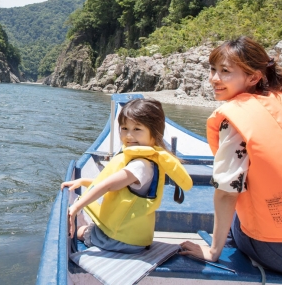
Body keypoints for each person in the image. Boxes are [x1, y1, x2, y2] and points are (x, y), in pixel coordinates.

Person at [179, 36, 282, 277]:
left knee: (236, 215)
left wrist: (212, 251)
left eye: (225, 71)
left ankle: (224, 254)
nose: (214, 79)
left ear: (253, 77)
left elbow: (226, 191)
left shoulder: (237, 116)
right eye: (213, 70)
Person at [61, 98, 192, 252]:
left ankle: (83, 231)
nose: (129, 135)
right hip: (131, 238)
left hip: (119, 240)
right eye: (124, 128)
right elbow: (116, 185)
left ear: (155, 133)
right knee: (84, 220)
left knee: (81, 231)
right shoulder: (144, 159)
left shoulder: (140, 165)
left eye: (137, 129)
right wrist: (84, 181)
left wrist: (75, 208)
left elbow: (108, 185)